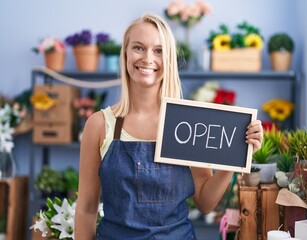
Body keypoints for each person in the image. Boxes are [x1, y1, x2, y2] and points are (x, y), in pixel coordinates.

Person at [75, 13, 263, 240]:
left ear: (169, 59)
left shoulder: (188, 121)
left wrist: (234, 157)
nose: (147, 58)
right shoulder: (99, 124)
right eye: (138, 48)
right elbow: (86, 209)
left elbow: (204, 202)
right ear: (125, 53)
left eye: (158, 50)